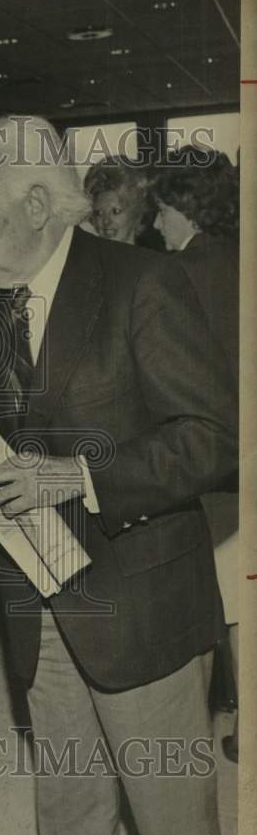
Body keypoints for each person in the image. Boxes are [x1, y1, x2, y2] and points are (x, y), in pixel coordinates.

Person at [0, 115, 237, 835]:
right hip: (36, 610)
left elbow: (214, 439)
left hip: (139, 609)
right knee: (69, 826)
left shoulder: (142, 283)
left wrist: (78, 476)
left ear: (39, 203)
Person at [153, 145, 240, 761]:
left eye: (159, 210)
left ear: (182, 209)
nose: (154, 224)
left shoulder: (180, 275)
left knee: (224, 595)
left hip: (218, 460)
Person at [83, 155, 155, 247]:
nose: (106, 222)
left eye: (116, 211)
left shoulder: (153, 259)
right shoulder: (87, 258)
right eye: (99, 213)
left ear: (137, 212)